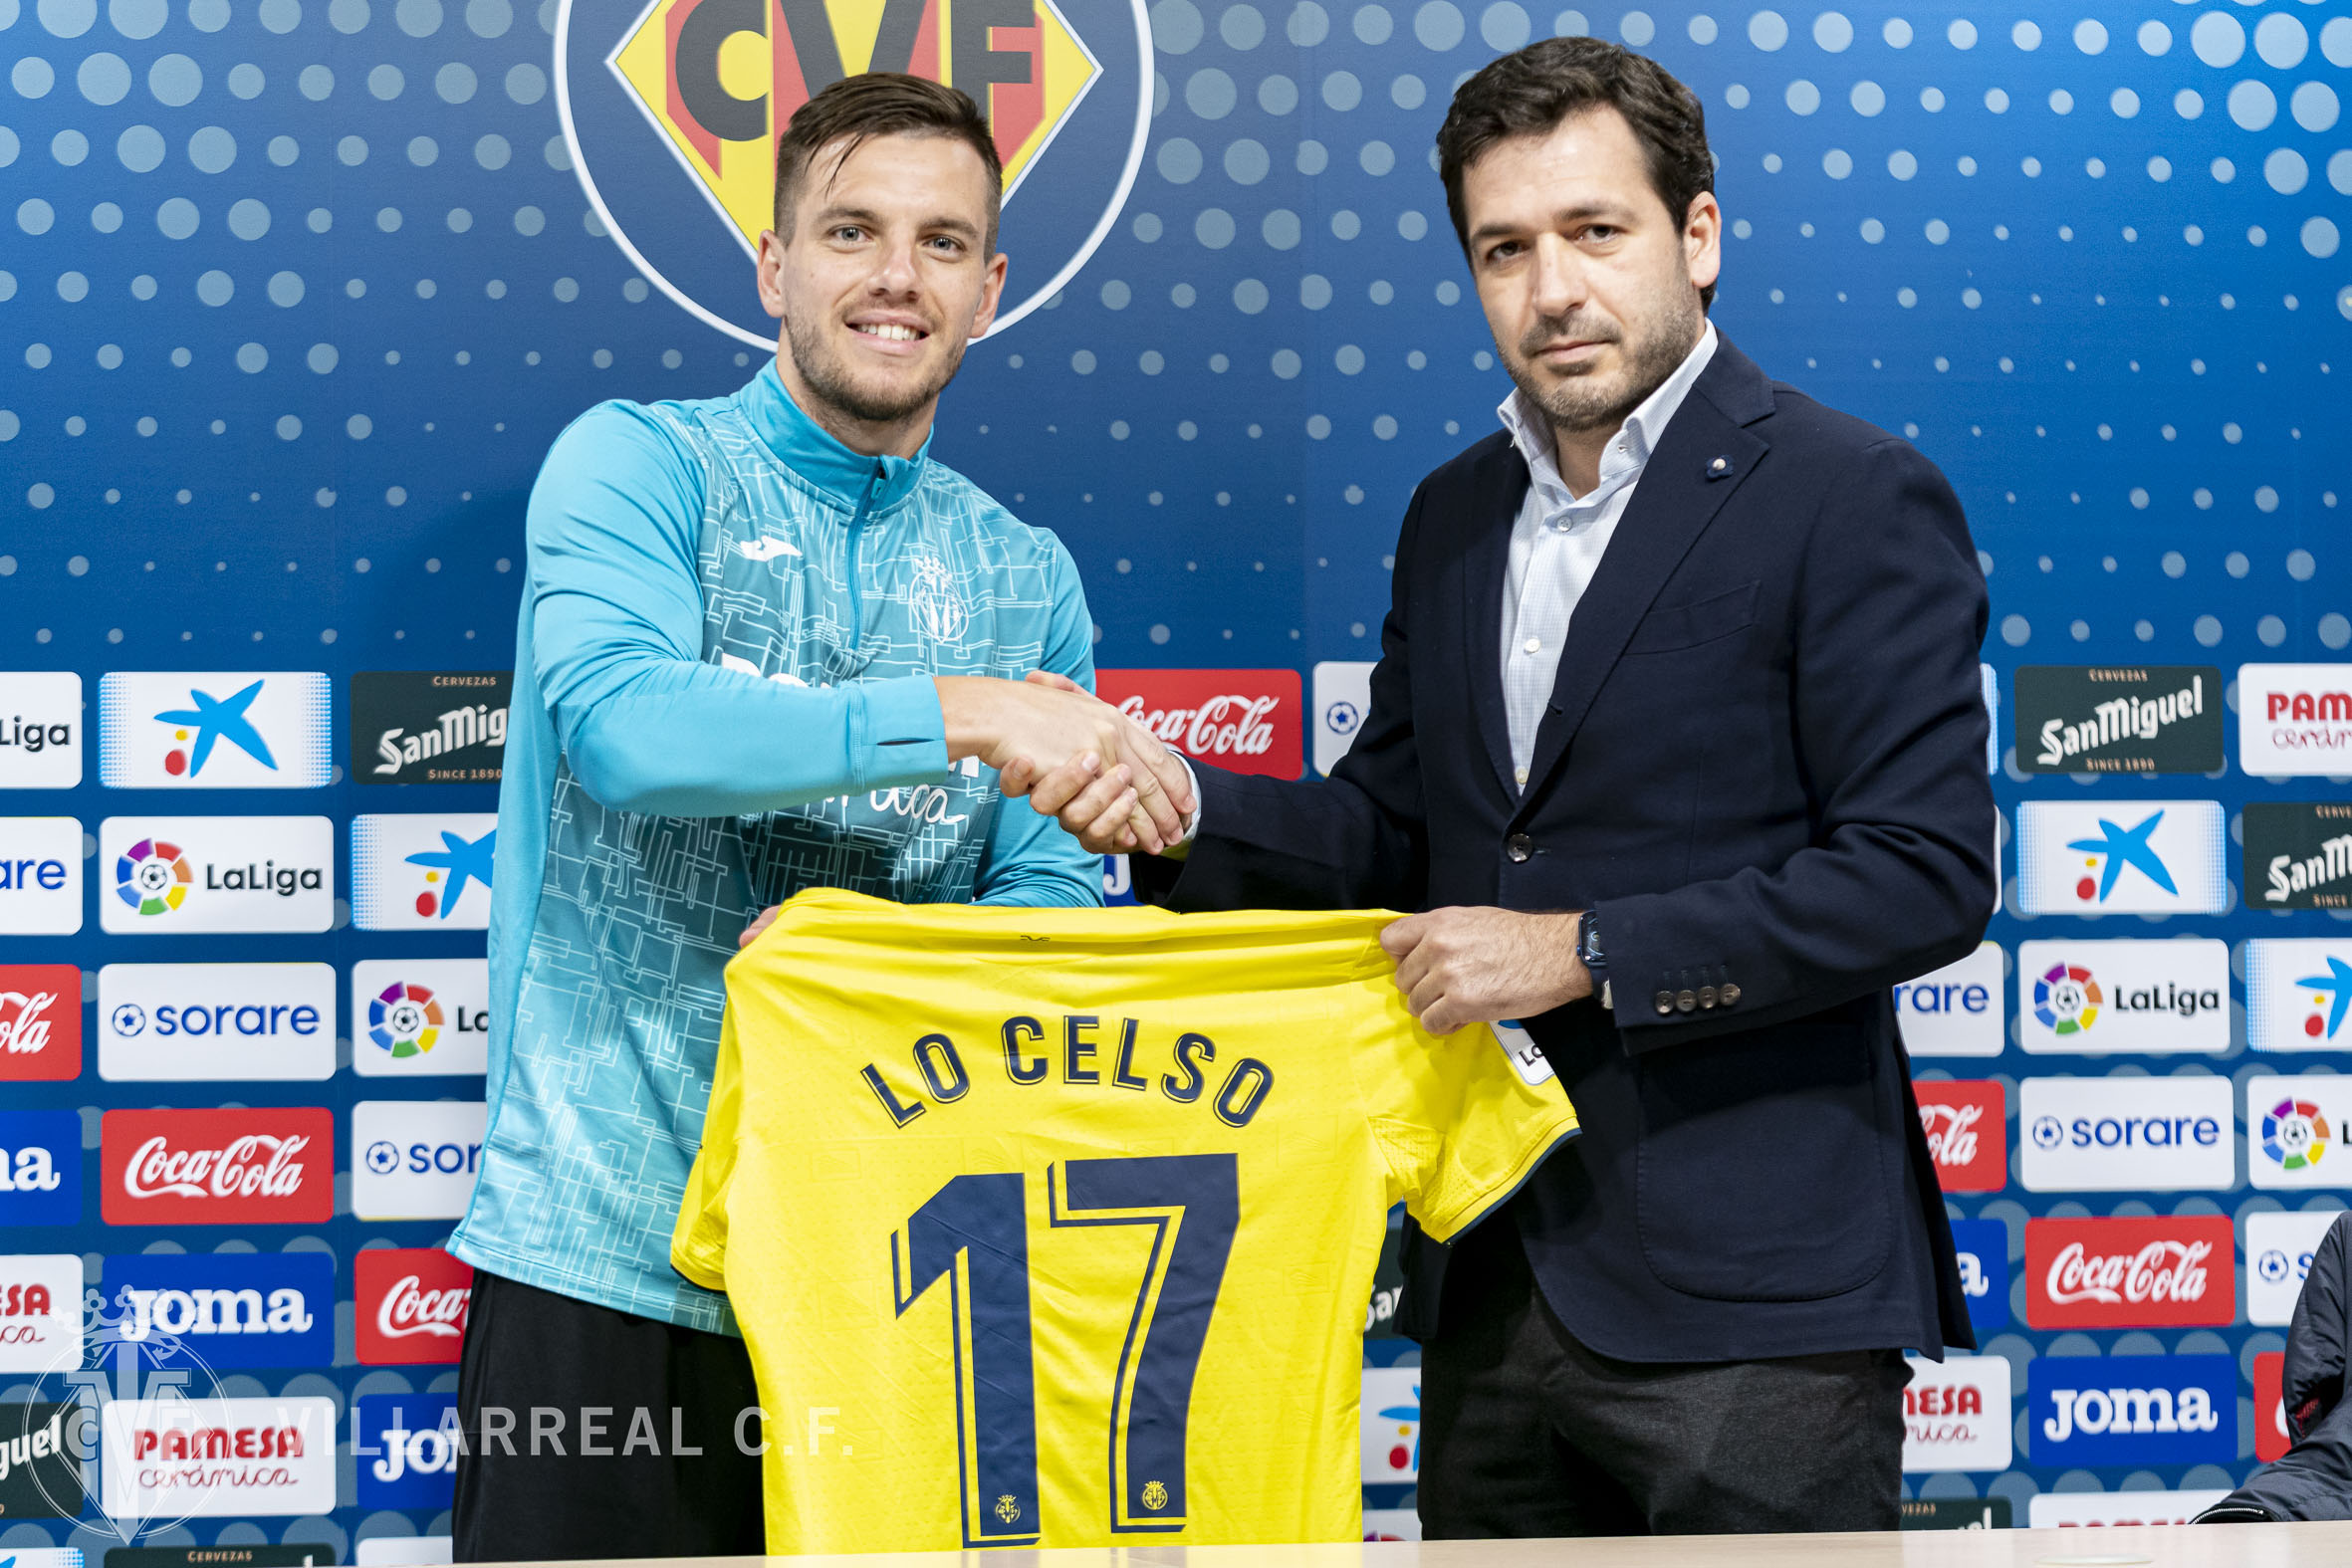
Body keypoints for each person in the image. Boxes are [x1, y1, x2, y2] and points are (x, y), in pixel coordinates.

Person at [1026, 37, 1996, 1536]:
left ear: (1697, 236)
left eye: (1594, 231)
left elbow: (1919, 873)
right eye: (1504, 248)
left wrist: (1583, 950)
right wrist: (1182, 807)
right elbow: (1392, 833)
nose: (1551, 289)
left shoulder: (1847, 492)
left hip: (1756, 1309)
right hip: (1489, 1281)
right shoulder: (1454, 514)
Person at [444, 74, 1194, 1562]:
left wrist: (869, 954)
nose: (895, 276)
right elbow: (626, 734)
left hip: (898, 1275)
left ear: (990, 289)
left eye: (940, 242)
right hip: (605, 1259)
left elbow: (1049, 900)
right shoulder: (639, 463)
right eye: (852, 232)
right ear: (774, 266)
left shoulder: (1026, 570)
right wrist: (968, 710)